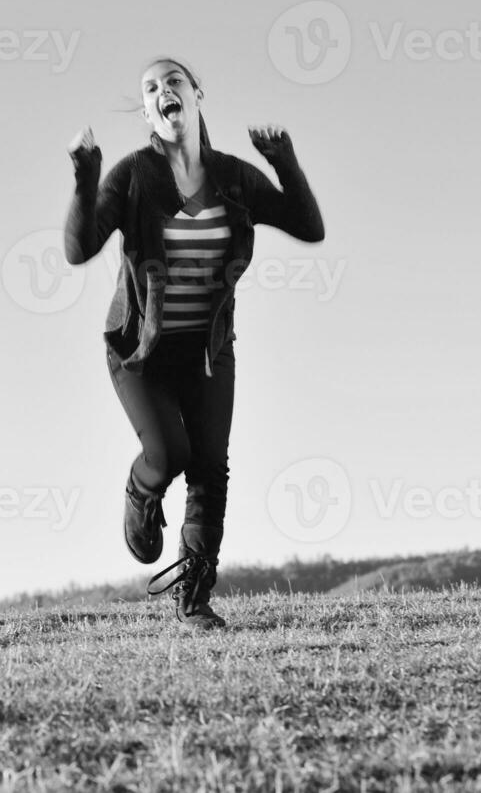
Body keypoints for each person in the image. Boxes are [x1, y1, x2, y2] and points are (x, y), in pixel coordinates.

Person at [63, 58, 325, 630]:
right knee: (172, 455)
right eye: (151, 89)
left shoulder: (234, 178)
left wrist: (284, 163)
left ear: (197, 94)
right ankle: (141, 490)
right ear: (148, 112)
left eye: (173, 82)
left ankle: (195, 598)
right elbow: (79, 248)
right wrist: (87, 175)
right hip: (140, 352)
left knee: (210, 467)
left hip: (208, 350)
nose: (163, 93)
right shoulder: (133, 175)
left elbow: (309, 226)